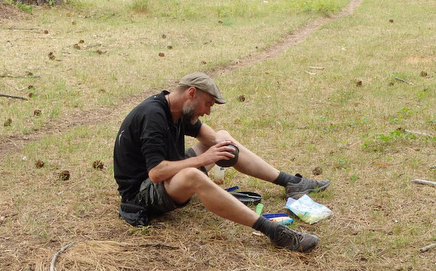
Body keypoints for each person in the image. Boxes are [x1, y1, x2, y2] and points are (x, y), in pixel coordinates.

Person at [113, 72, 330, 252]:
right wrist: (204, 159)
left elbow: (212, 137)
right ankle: (273, 231)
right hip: (141, 193)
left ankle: (290, 182)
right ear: (191, 93)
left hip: (165, 176)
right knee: (193, 175)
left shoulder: (177, 110)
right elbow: (156, 173)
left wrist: (226, 148)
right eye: (207, 104)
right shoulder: (154, 115)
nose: (207, 112)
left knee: (223, 138)